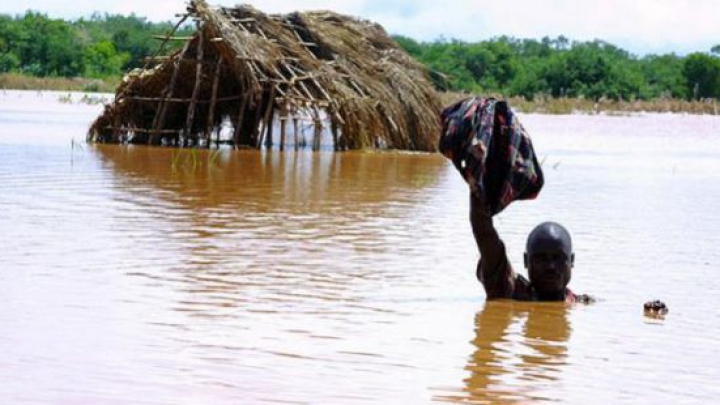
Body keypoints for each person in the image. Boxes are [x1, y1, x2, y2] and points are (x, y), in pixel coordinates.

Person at [470, 192, 589, 303]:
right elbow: (485, 233)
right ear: (526, 261)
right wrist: (477, 190)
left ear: (571, 261)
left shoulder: (583, 303)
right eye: (541, 258)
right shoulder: (510, 292)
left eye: (558, 258)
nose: (550, 266)